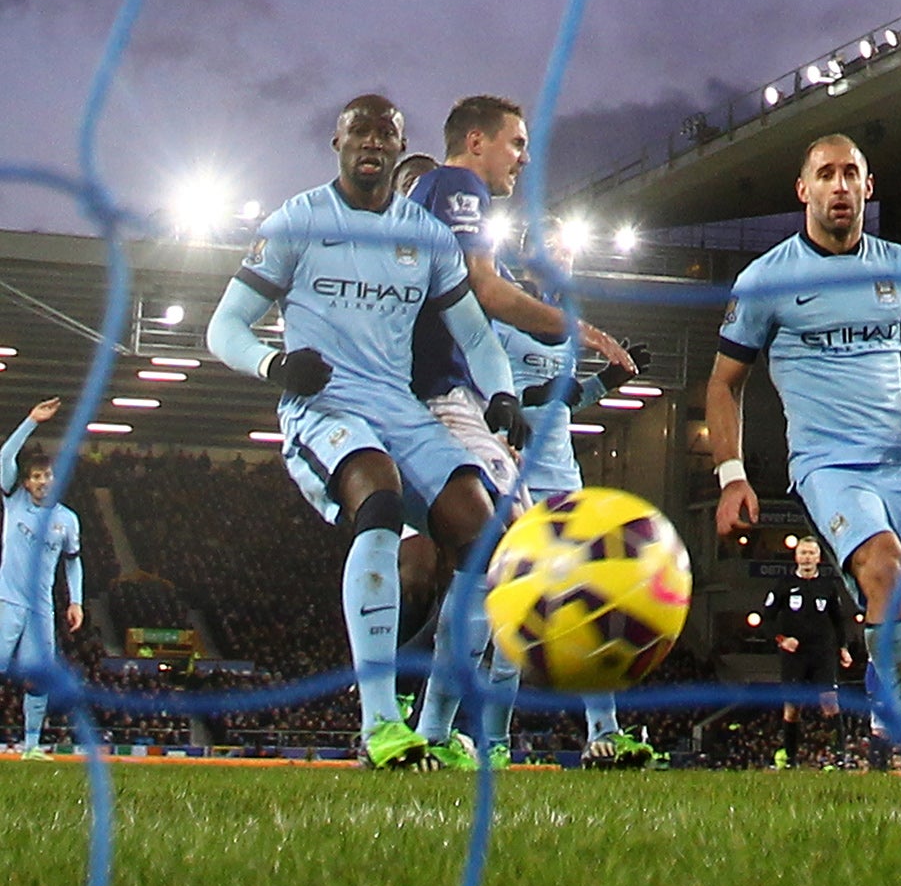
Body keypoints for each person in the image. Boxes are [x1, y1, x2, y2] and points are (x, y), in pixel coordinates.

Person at [206, 93, 521, 769]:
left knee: (482, 534)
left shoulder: (425, 234)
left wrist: (501, 394)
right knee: (377, 500)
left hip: (398, 407)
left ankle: (434, 730)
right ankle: (380, 727)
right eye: (360, 131)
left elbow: (477, 334)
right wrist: (275, 365)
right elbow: (223, 327)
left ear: (399, 144)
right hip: (324, 408)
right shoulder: (299, 219)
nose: (372, 142)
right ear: (338, 143)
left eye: (386, 132)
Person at [708, 133, 901, 779]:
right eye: (826, 174)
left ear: (868, 189)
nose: (839, 186)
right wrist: (731, 475)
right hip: (827, 466)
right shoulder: (766, 281)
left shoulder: (900, 269)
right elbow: (723, 383)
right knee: (884, 567)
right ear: (803, 190)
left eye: (851, 174)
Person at [407, 94, 636, 768]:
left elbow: (555, 390)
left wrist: (591, 376)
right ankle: (438, 729)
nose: (524, 157)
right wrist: (576, 332)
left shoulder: (510, 280)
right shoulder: (455, 188)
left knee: (546, 583)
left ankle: (593, 734)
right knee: (488, 589)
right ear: (477, 142)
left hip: (520, 450)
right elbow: (486, 293)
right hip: (473, 429)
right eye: (515, 143)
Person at [498, 246, 654, 768]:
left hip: (564, 477)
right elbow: (493, 395)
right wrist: (537, 394)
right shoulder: (500, 315)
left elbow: (562, 402)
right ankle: (489, 739)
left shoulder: (567, 325)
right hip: (511, 476)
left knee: (593, 601)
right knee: (506, 611)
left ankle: (603, 734)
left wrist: (608, 383)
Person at [1, 399, 83, 760]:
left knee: (39, 678)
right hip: (7, 600)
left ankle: (32, 746)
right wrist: (31, 420)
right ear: (26, 482)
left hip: (41, 609)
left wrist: (76, 600)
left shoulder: (68, 520)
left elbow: (73, 563)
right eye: (35, 477)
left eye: (47, 476)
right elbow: (5, 457)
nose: (42, 482)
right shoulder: (14, 502)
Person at [766, 535, 857, 769]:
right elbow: (767, 618)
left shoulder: (827, 586)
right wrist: (782, 640)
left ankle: (839, 757)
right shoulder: (784, 584)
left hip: (822, 653)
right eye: (803, 553)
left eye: (811, 553)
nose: (807, 557)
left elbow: (838, 620)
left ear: (818, 558)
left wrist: (843, 648)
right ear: (796, 556)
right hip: (794, 656)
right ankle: (791, 760)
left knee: (830, 703)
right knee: (793, 707)